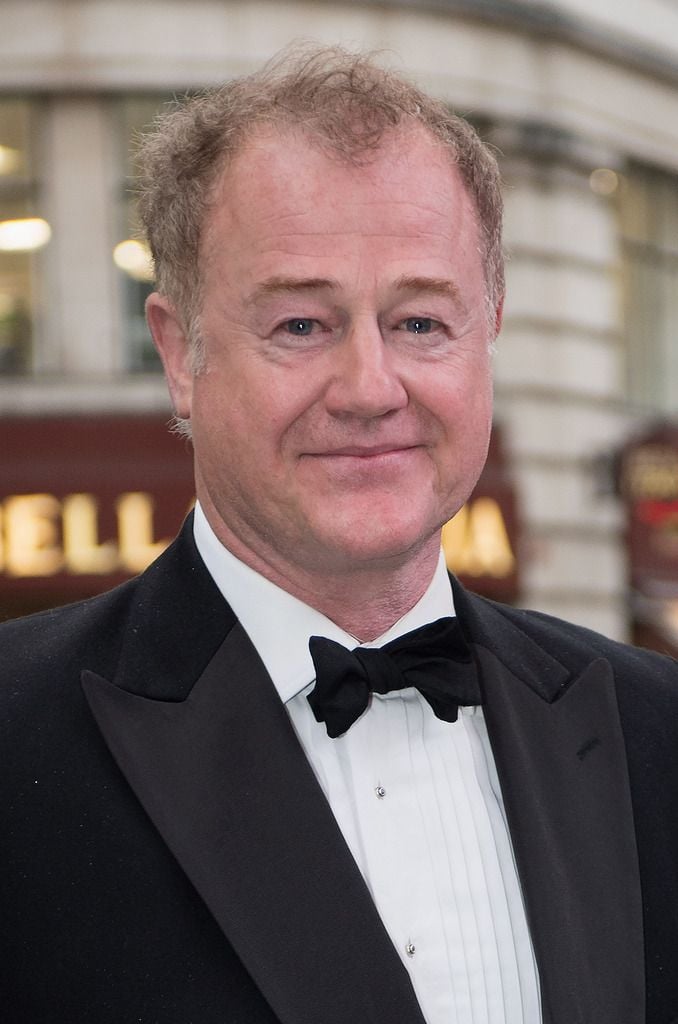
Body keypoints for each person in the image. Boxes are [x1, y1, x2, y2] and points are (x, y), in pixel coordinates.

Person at [2, 45, 677, 1024]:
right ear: (180, 354)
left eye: (419, 322)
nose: (369, 390)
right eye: (302, 326)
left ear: (489, 330)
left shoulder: (654, 729)